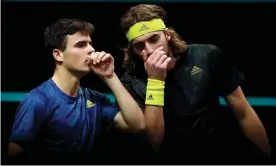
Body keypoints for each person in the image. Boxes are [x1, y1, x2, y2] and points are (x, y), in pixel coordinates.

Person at [118, 4, 271, 164]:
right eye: (139, 45)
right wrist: (155, 81)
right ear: (132, 49)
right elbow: (154, 141)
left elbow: (243, 113)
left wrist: (268, 154)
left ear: (167, 35)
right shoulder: (130, 83)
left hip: (218, 155)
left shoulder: (206, 56)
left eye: (154, 39)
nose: (148, 50)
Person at [7, 19, 146, 164]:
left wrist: (110, 76)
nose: (91, 50)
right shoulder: (37, 101)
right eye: (81, 45)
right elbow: (13, 157)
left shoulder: (95, 100)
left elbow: (138, 126)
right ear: (58, 55)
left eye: (90, 44)